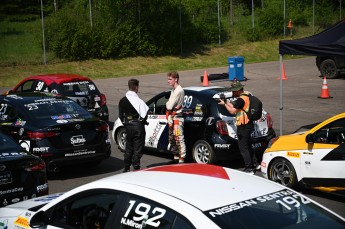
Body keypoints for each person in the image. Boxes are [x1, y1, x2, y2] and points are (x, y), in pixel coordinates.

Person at [218, 81, 259, 174]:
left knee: (243, 148)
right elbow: (234, 106)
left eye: (233, 91)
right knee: (248, 145)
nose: (232, 93)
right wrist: (226, 101)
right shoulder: (246, 95)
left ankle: (249, 168)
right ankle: (255, 164)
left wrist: (224, 104)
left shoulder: (241, 99)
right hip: (249, 125)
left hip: (243, 126)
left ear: (237, 90)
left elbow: (232, 111)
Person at [118, 79, 149, 172]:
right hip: (138, 127)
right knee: (138, 148)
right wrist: (140, 123)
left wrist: (127, 124)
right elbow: (145, 115)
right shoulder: (138, 101)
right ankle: (136, 167)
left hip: (128, 126)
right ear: (136, 87)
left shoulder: (122, 100)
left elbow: (120, 116)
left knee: (129, 147)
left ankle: (126, 167)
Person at [166, 71, 186, 163]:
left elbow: (169, 106)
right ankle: (176, 157)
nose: (168, 81)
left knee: (178, 138)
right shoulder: (173, 90)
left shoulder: (178, 90)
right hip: (172, 117)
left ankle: (182, 158)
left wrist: (169, 105)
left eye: (170, 79)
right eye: (168, 79)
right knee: (172, 139)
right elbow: (169, 105)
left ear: (176, 79)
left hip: (177, 117)